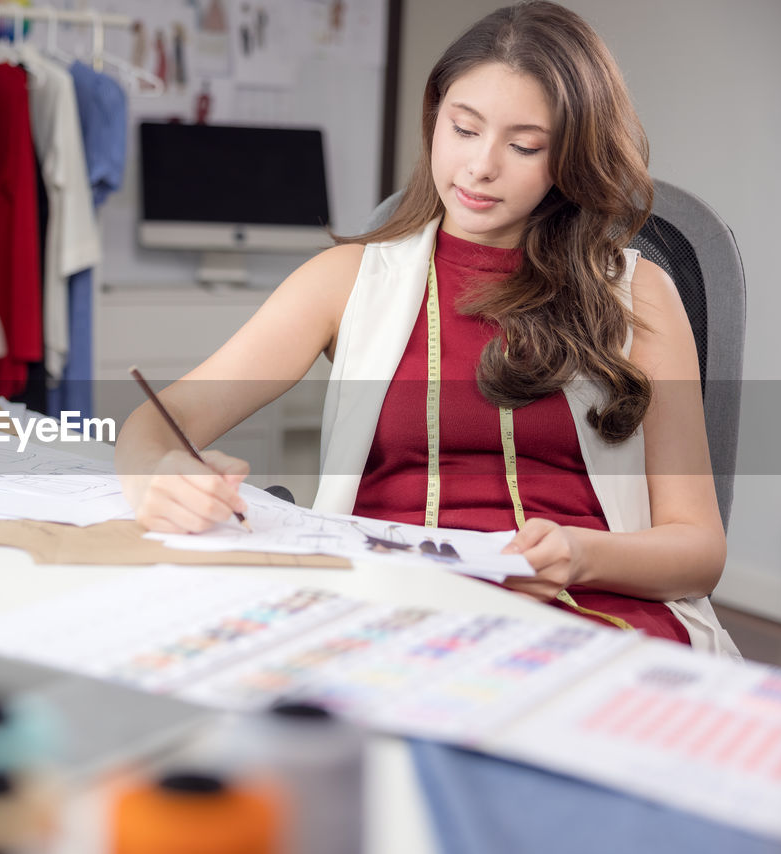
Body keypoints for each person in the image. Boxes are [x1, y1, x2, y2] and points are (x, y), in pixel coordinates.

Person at [114, 1, 737, 655]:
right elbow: (158, 421)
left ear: (569, 159)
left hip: (585, 611)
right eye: (463, 129)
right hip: (394, 609)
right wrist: (156, 477)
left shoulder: (641, 295)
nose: (480, 166)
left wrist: (581, 555)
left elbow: (698, 551)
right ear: (434, 117)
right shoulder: (345, 278)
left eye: (524, 146)